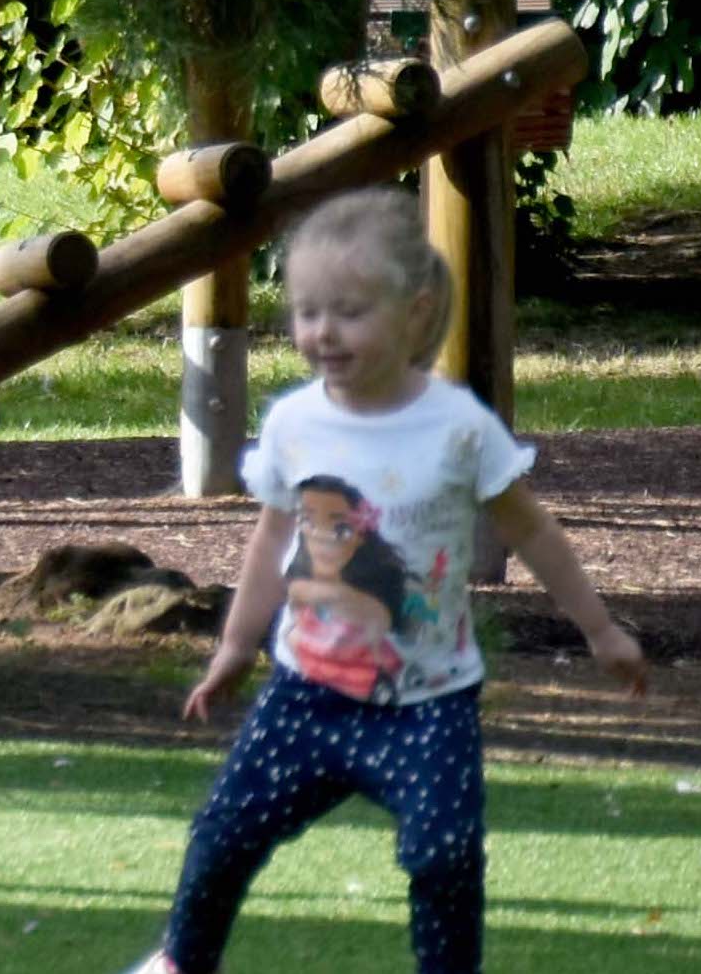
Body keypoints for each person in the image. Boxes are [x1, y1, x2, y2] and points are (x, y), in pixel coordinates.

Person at [121, 190, 650, 974]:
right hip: (304, 693)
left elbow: (531, 530)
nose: (321, 332)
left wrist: (600, 630)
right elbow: (273, 537)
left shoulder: (459, 426)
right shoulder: (295, 422)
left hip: (426, 705)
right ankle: (182, 962)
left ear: (415, 311)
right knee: (223, 833)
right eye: (306, 311)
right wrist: (235, 645)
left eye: (348, 311)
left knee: (444, 856)